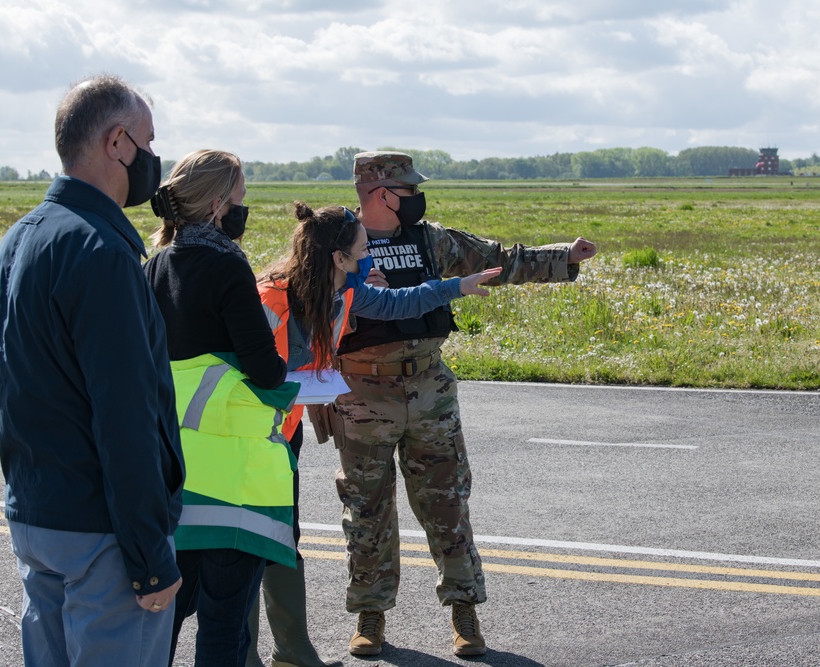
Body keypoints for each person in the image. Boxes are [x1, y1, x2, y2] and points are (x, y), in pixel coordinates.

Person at [333, 151, 598, 657]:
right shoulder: (336, 239)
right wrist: (349, 288)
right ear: (383, 194)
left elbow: (498, 259)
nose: (418, 198)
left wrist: (564, 257)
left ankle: (464, 612)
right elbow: (299, 294)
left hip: (430, 388)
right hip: (362, 394)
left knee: (446, 502)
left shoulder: (432, 239)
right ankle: (371, 614)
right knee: (367, 511)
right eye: (409, 190)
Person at [245, 202, 501, 667]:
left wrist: (457, 287)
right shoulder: (271, 298)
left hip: (281, 422)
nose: (372, 257)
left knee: (443, 503)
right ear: (339, 258)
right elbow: (247, 366)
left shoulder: (346, 289)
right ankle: (361, 617)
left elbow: (399, 302)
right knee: (355, 512)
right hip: (251, 429)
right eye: (363, 250)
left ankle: (463, 611)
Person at [0, 74, 184, 666]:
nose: (154, 158)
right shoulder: (101, 252)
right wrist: (151, 558)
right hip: (103, 533)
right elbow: (126, 416)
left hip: (39, 515)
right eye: (148, 142)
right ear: (118, 142)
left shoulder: (19, 240)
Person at [144, 149, 293, 667]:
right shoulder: (228, 266)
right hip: (232, 481)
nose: (242, 209)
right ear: (215, 205)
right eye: (239, 199)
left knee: (162, 621)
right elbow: (265, 368)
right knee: (224, 627)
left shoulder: (154, 265)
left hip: (174, 479)